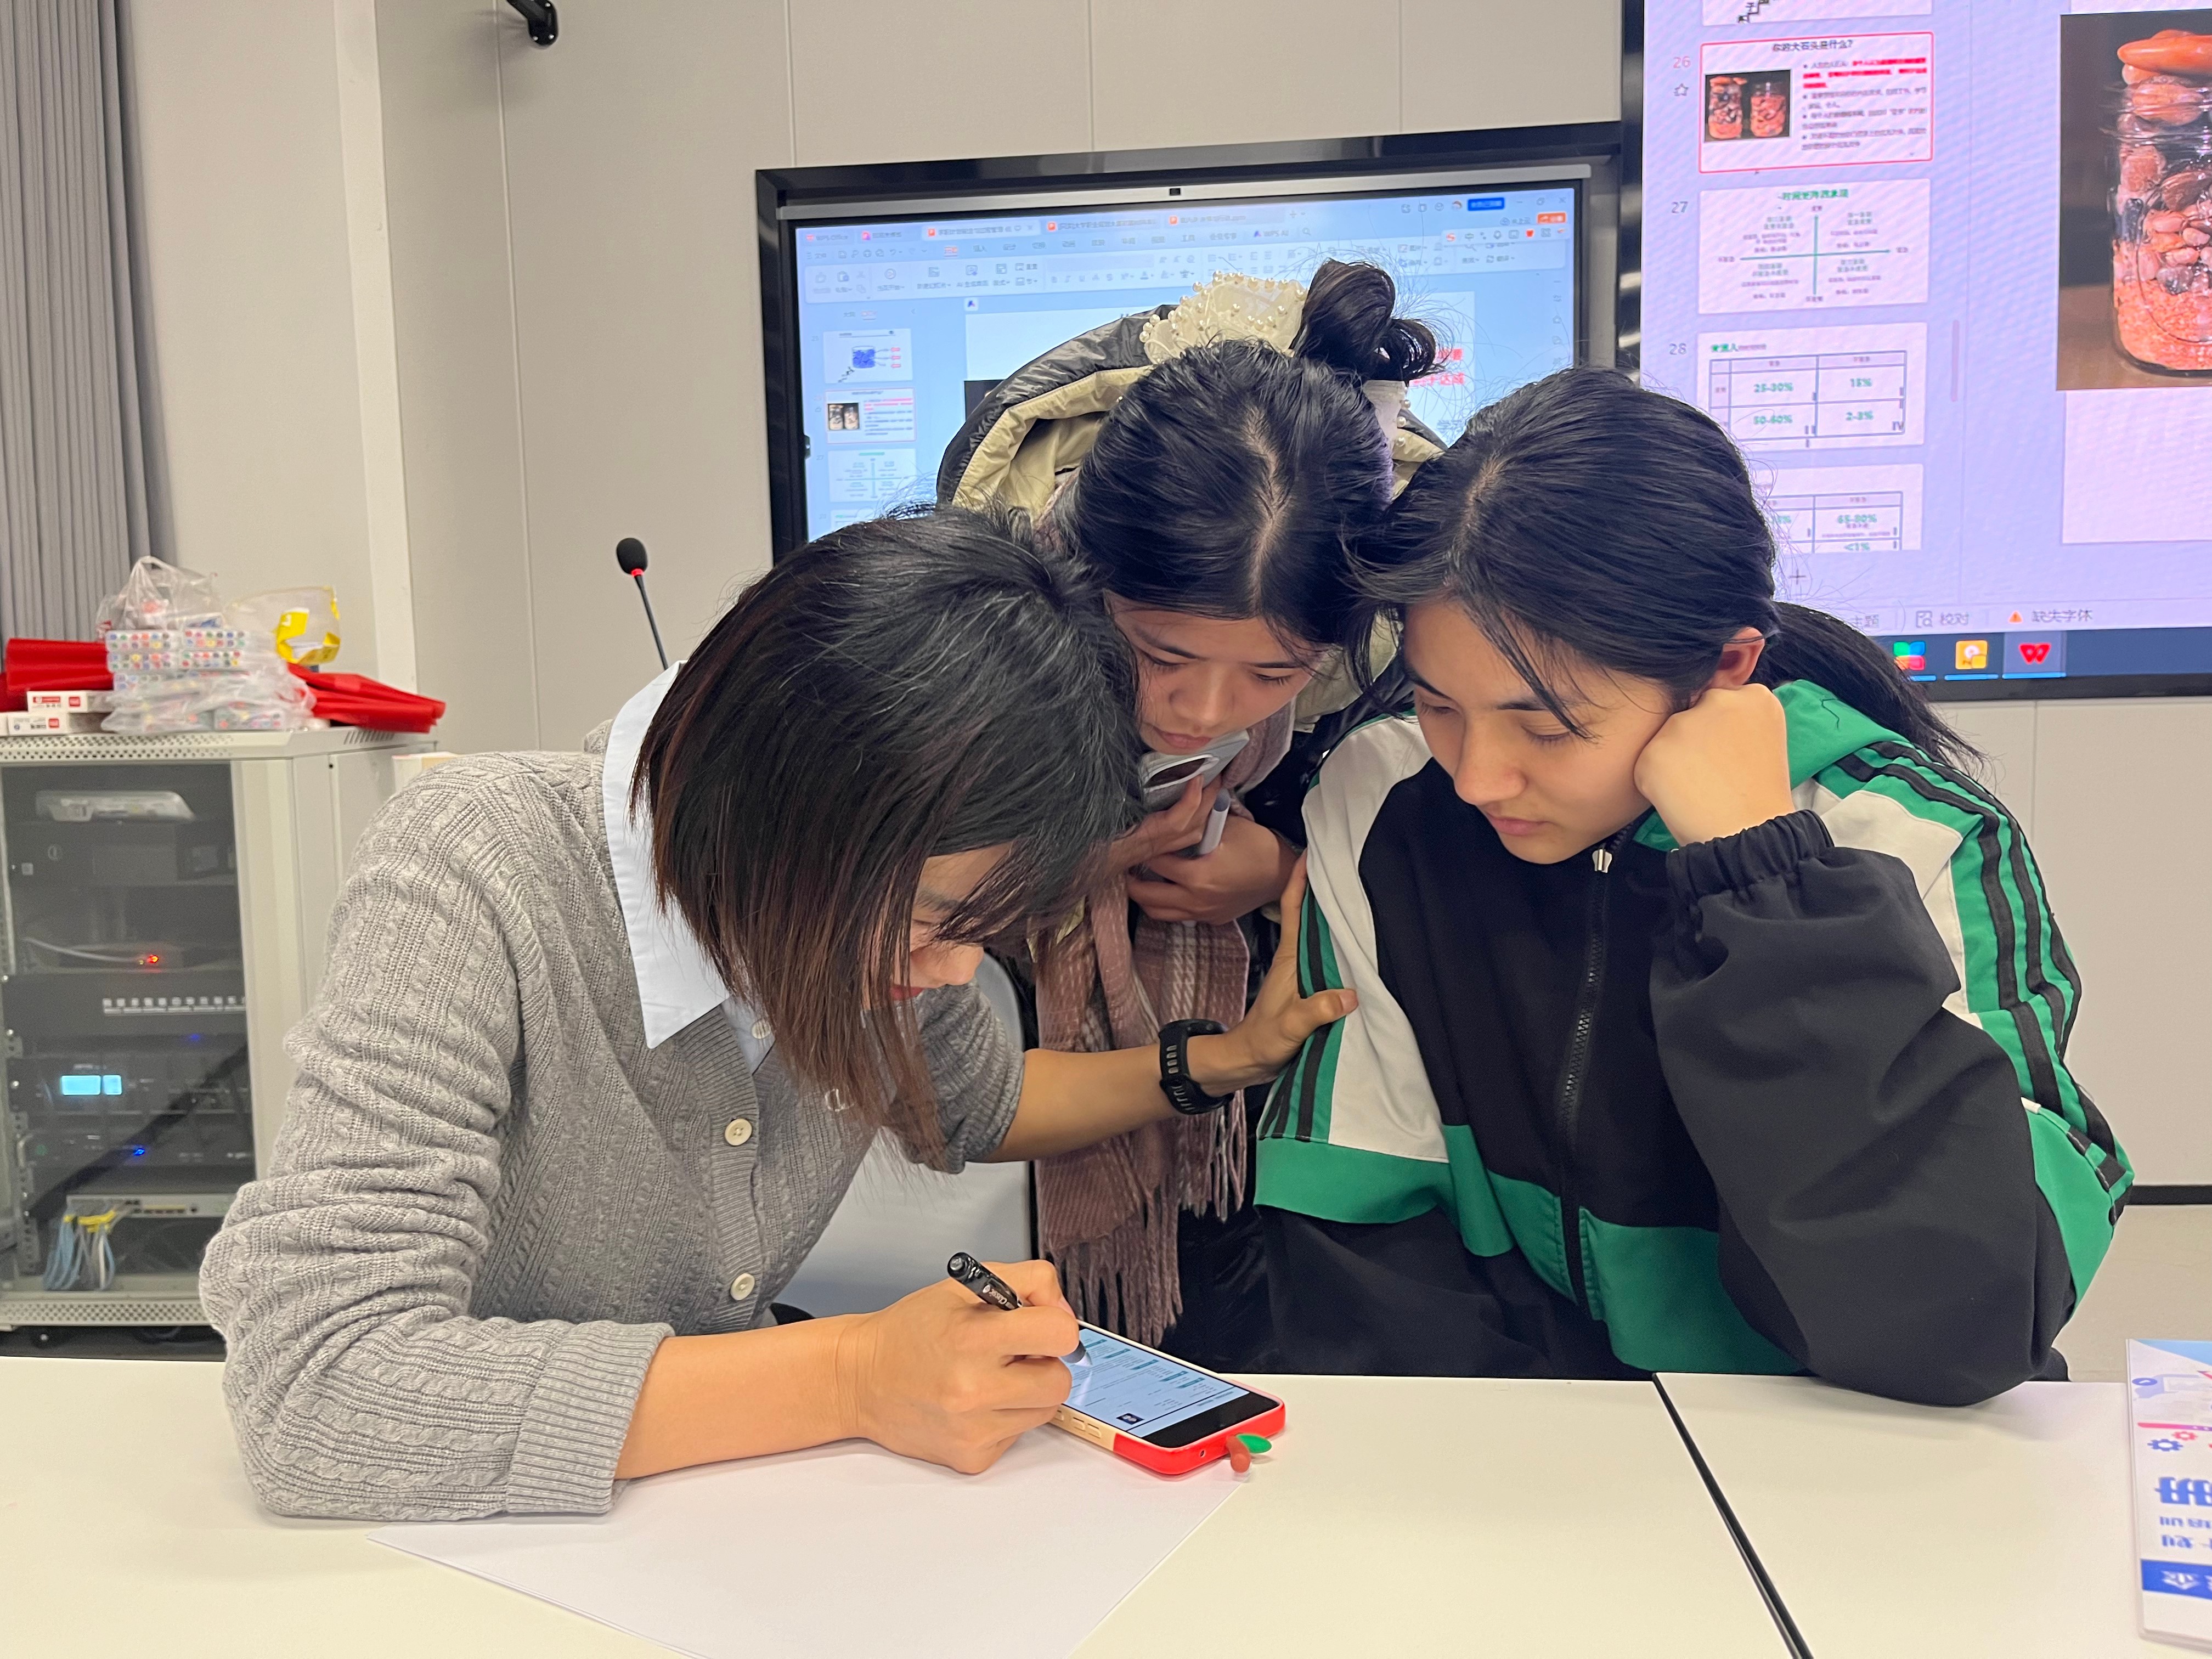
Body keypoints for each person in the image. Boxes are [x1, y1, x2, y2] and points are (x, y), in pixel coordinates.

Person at [199, 506, 1351, 1521]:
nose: (955, 976)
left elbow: (981, 1100)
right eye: (931, 924)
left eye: (981, 932)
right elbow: (318, 1389)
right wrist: (850, 1376)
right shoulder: (477, 866)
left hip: (712, 1532)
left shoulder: (872, 923)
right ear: (785, 811)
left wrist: (1230, 1059)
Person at [1256, 366, 2129, 1406]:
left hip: (1848, 1441)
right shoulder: (1387, 800)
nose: (1478, 777)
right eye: (1440, 705)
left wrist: (1764, 879)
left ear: (1724, 669)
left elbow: (1964, 1319)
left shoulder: (1909, 836)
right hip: (1518, 1443)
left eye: (1549, 727)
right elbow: (1366, 1230)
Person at [938, 261, 1436, 1364]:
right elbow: (900, 976)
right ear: (1082, 576)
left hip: (1247, 1130)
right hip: (991, 1128)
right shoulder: (963, 645)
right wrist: (1075, 864)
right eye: (1160, 654)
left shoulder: (1404, 662)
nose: (1203, 712)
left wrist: (1285, 871)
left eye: (1274, 674)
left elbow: (1417, 865)